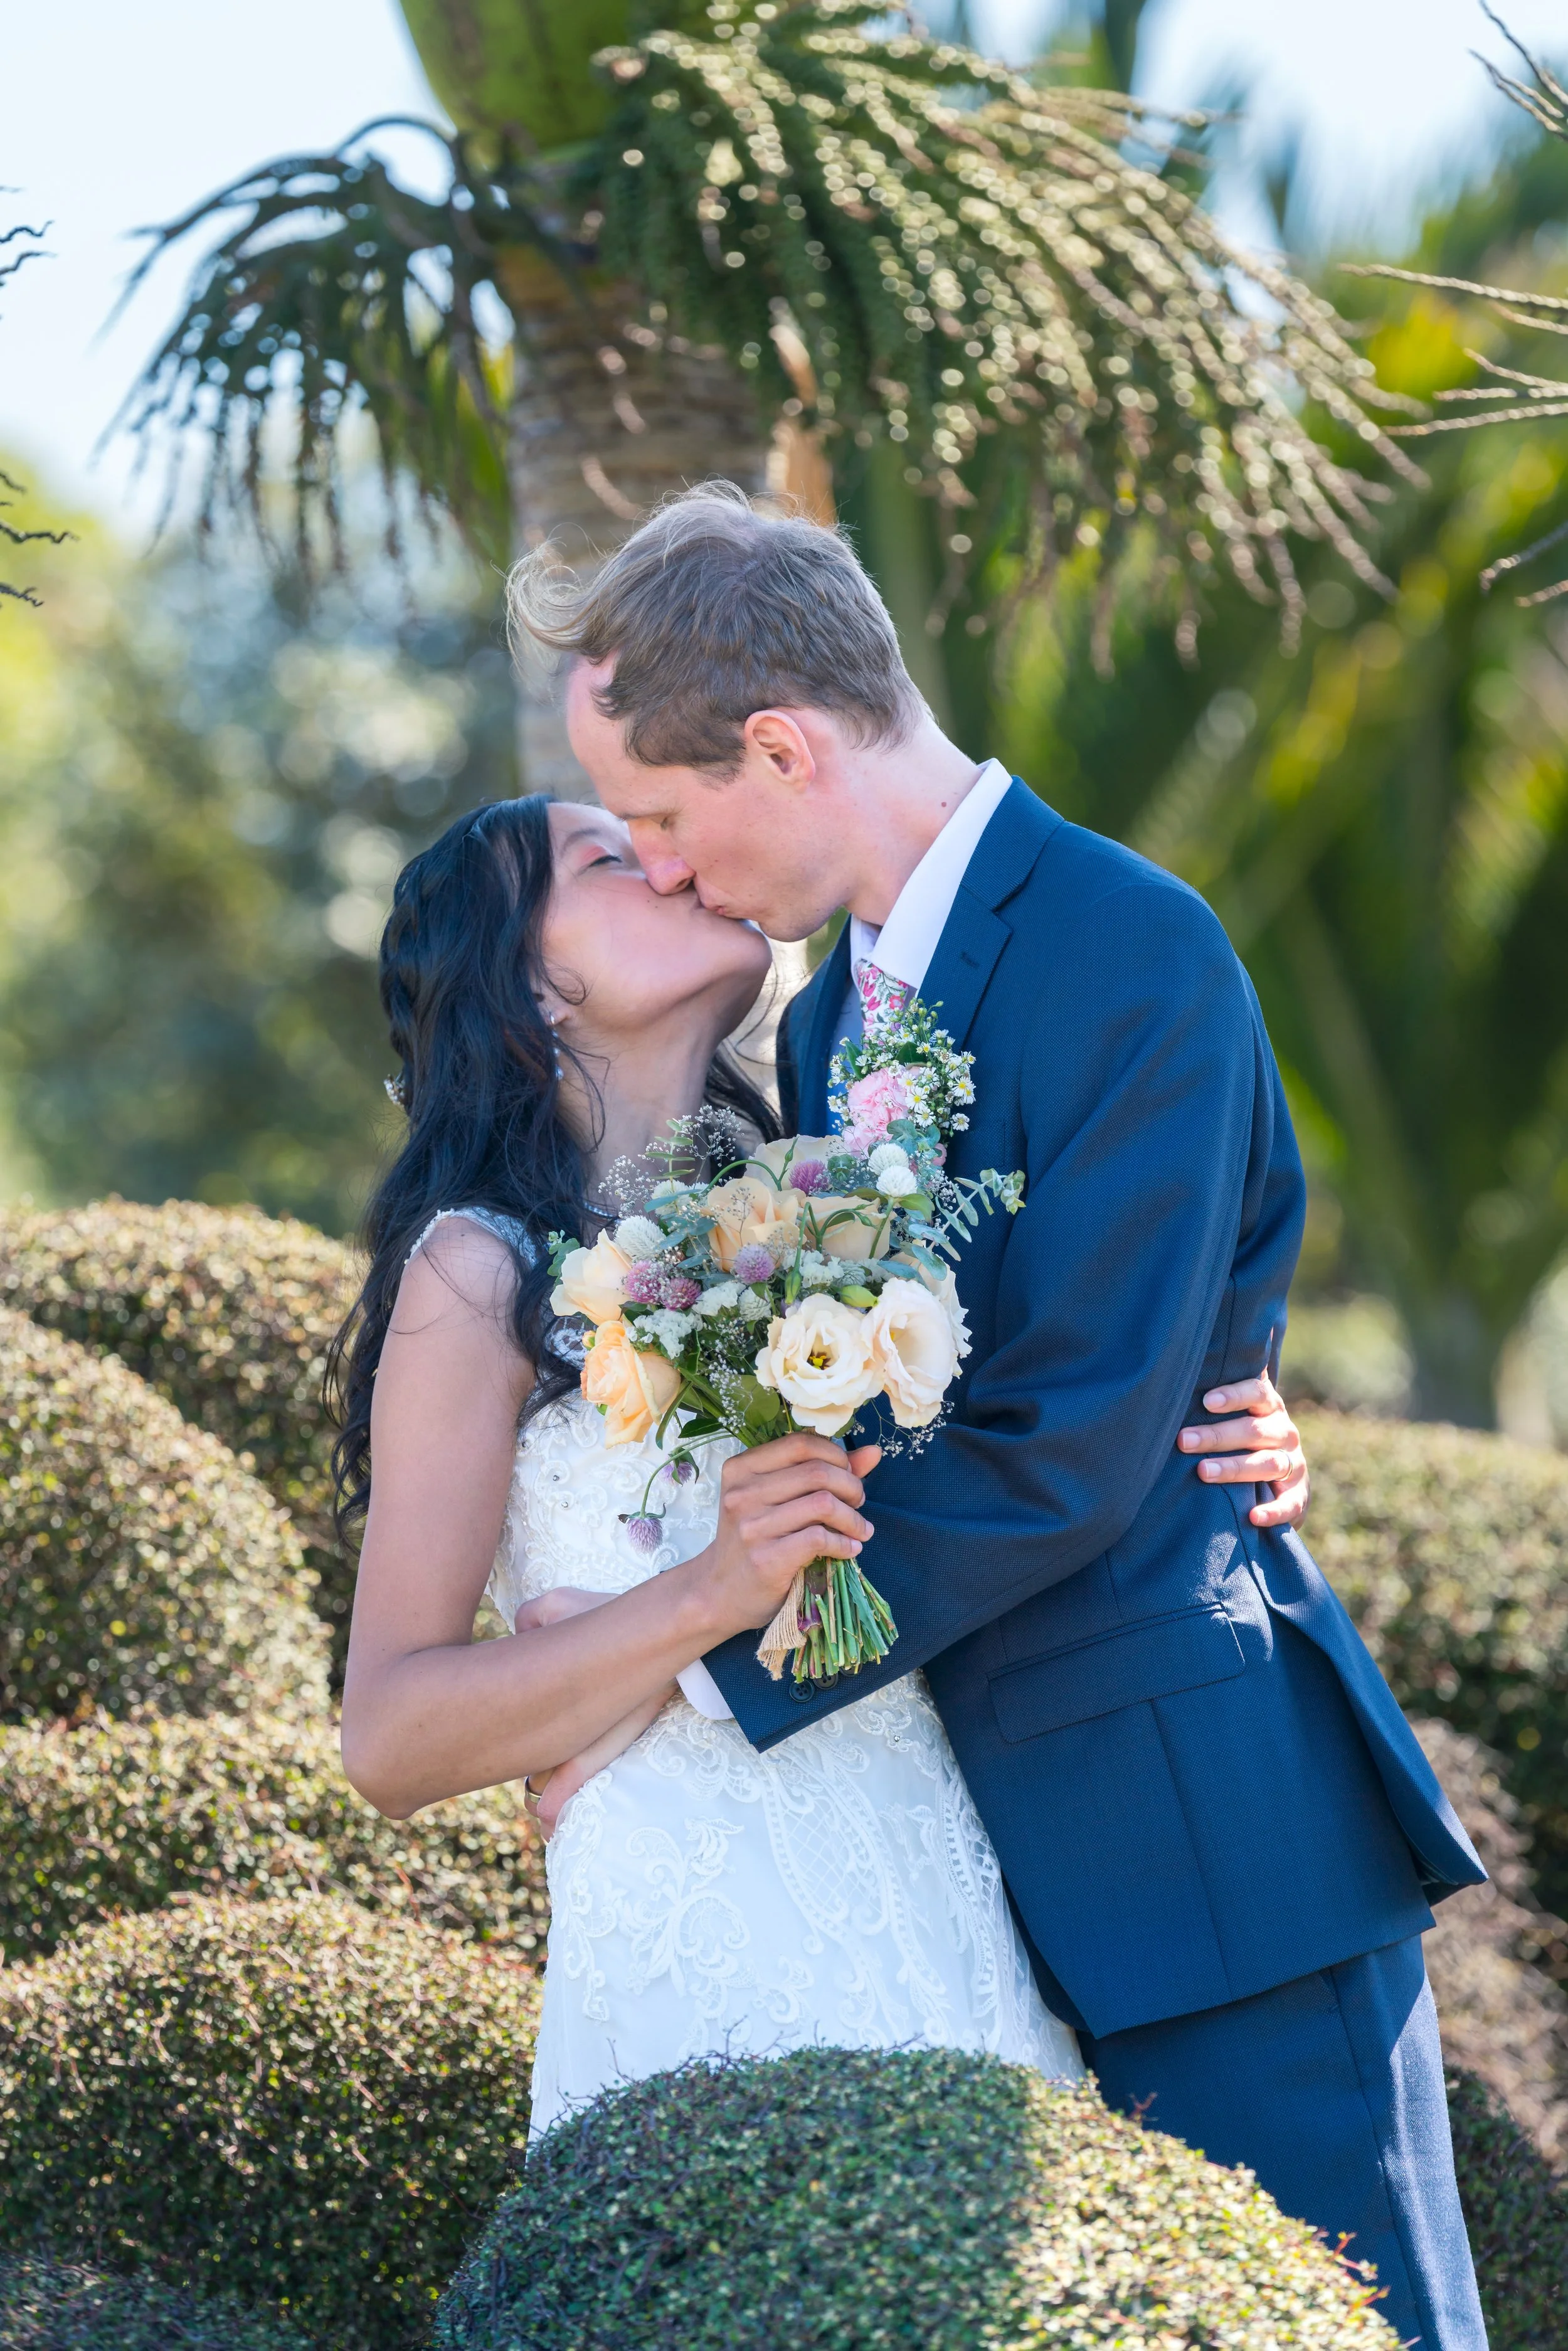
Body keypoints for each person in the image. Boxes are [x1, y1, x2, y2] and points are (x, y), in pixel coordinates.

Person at [502, 484, 1489, 2351]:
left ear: (780, 746)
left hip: (1210, 1852)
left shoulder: (1131, 945)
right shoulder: (816, 1034)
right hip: (972, 1876)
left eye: (660, 813)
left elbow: (1071, 1437)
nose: (664, 865)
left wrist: (683, 1678)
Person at [332, 793, 1307, 2142]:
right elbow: (388, 1737)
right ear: (535, 988)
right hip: (699, 1933)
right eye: (613, 857)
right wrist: (699, 1604)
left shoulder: (839, 1195)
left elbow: (1025, 1435)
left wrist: (1223, 1417)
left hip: (948, 1873)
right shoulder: (474, 1272)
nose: (671, 860)